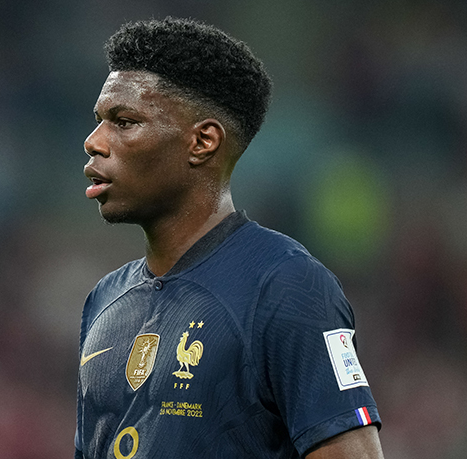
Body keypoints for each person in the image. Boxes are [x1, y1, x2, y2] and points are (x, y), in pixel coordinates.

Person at [75, 17, 384, 458]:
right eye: (99, 121)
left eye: (124, 122)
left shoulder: (286, 286)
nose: (94, 142)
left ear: (203, 142)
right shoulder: (104, 301)